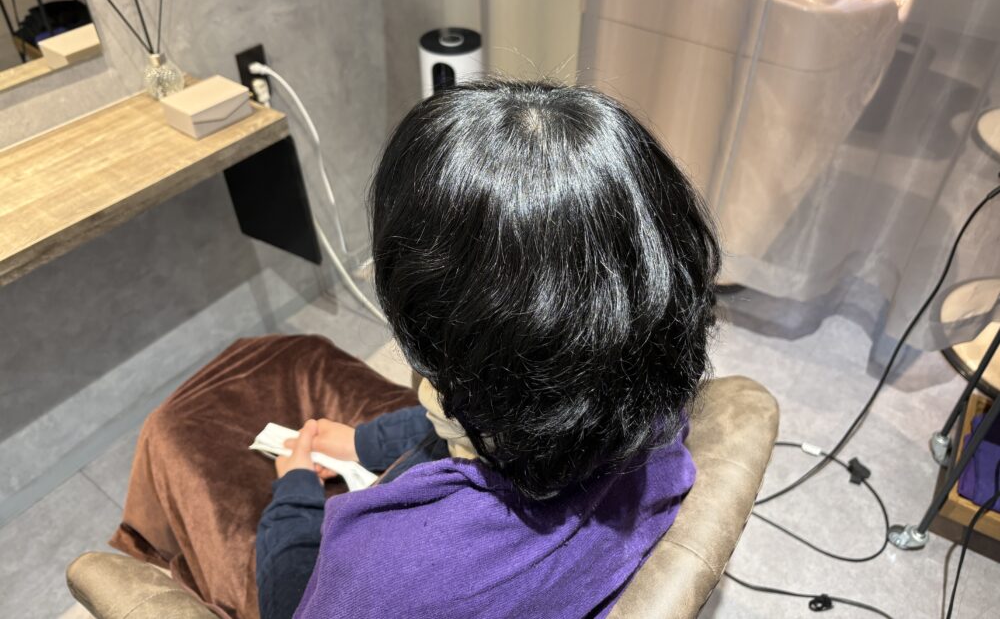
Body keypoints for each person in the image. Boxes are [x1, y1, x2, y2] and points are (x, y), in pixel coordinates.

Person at [111, 79, 720, 619]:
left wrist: (293, 494)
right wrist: (362, 444)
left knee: (172, 428)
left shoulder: (381, 575)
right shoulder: (650, 410)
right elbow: (485, 424)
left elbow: (295, 606)